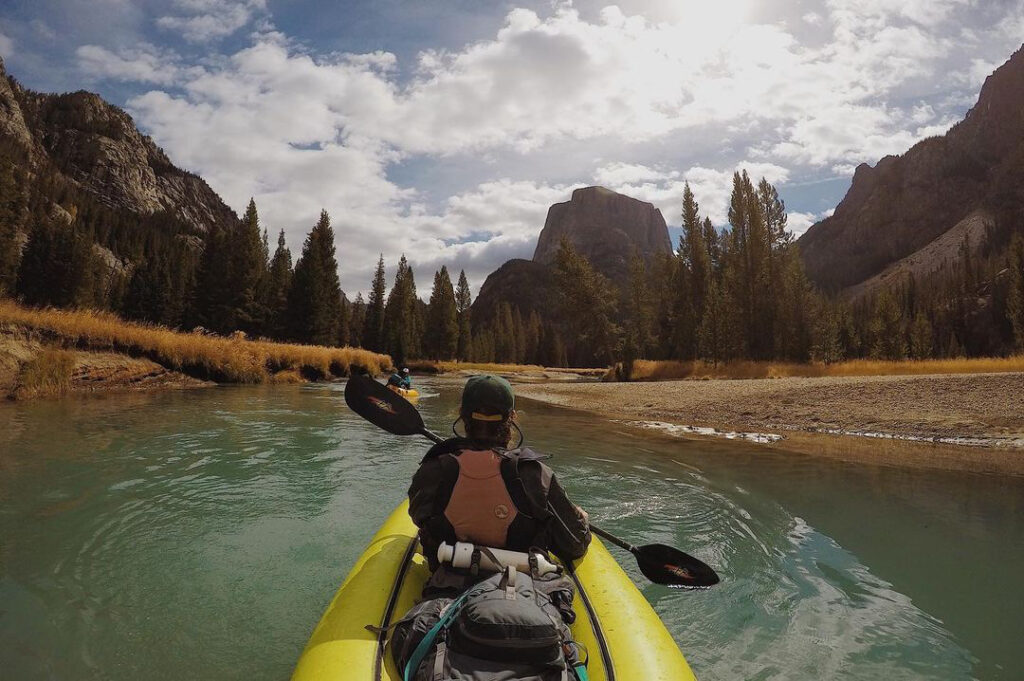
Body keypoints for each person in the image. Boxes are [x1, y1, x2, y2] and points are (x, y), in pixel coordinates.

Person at [408, 374, 590, 586]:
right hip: (522, 589)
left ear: (462, 414)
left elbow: (417, 516)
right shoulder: (535, 474)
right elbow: (574, 545)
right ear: (511, 417)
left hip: (447, 586)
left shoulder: (433, 469)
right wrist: (581, 519)